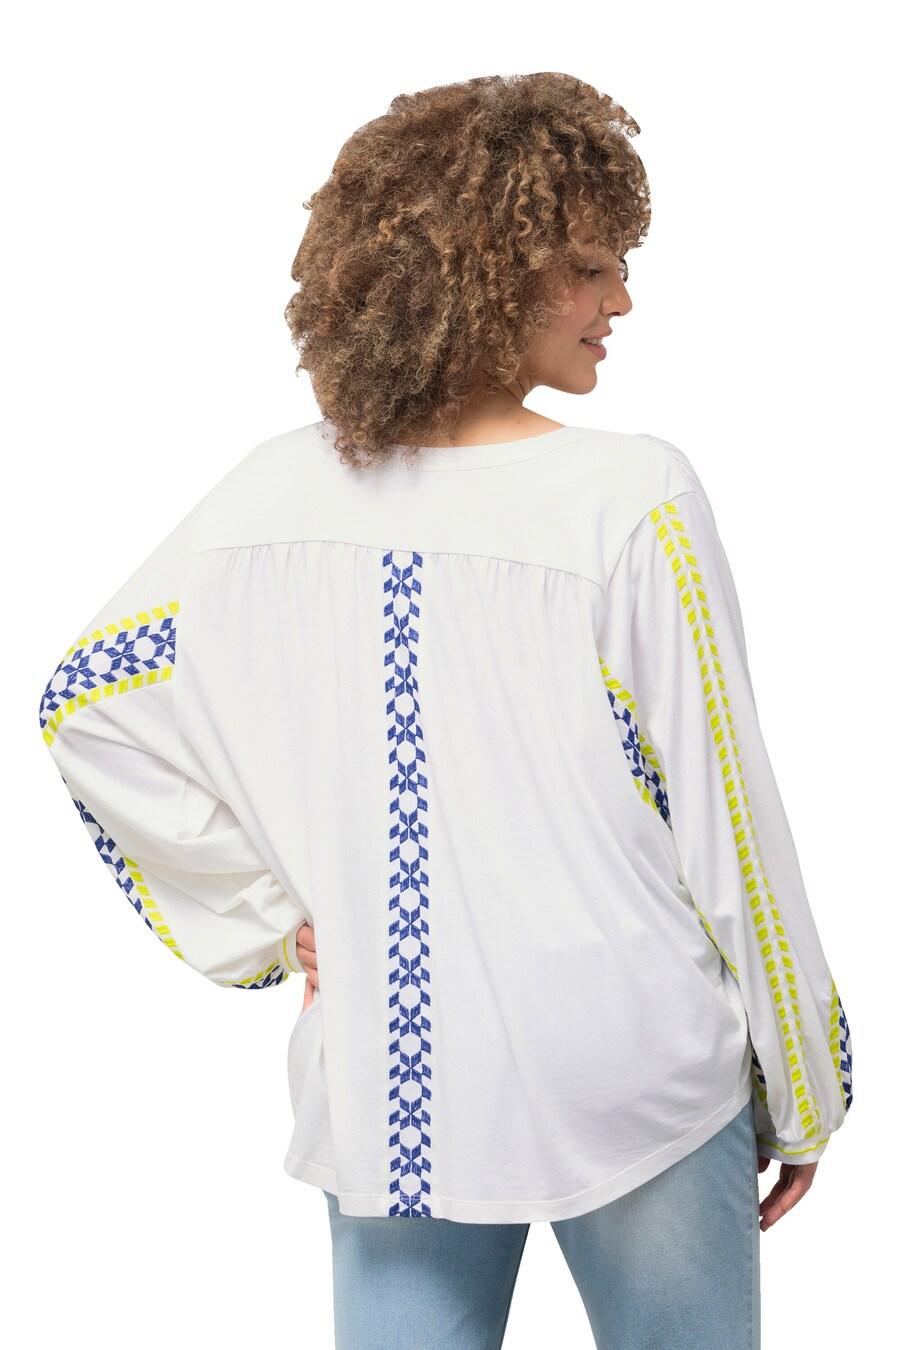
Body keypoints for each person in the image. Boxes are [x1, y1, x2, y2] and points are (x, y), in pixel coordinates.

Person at [38, 72, 852, 1349]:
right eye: (589, 268)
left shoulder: (262, 503)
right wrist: (803, 1083)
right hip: (629, 1070)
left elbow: (89, 702)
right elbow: (728, 819)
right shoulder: (631, 497)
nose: (621, 301)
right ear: (490, 275)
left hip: (392, 1075)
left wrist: (268, 917)